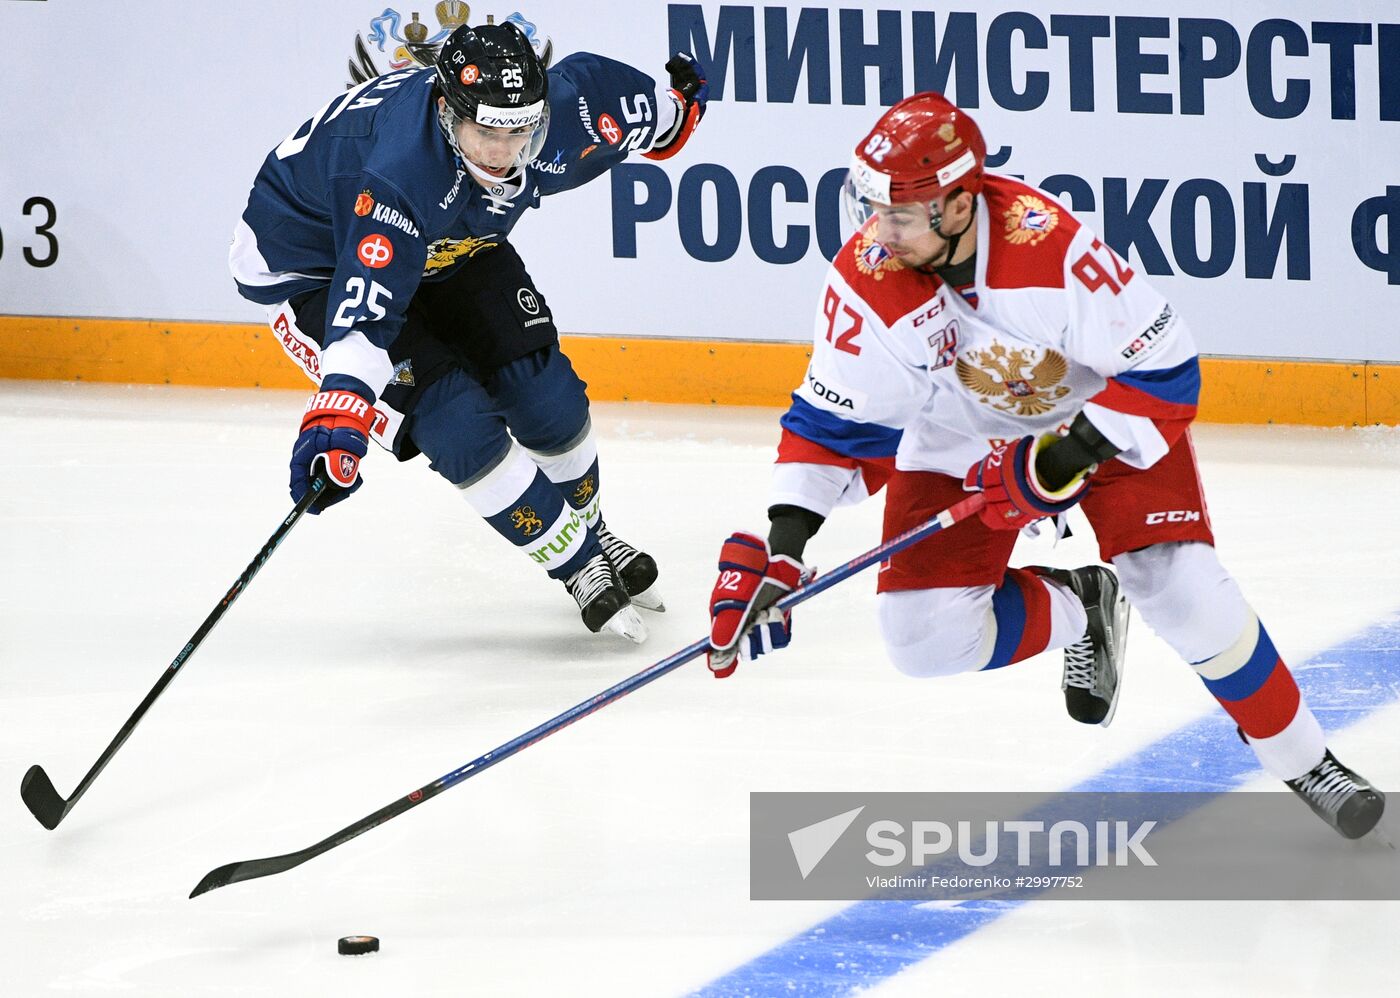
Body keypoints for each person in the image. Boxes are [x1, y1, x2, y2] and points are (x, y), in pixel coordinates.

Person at [706, 92, 1384, 839]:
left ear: (958, 207)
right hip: (964, 426)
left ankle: (1300, 756)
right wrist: (783, 550)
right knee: (922, 639)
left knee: (1179, 588)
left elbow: (1164, 370)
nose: (879, 230)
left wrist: (1066, 456)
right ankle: (1084, 605)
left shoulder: (1049, 250)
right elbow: (832, 424)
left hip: (1099, 415)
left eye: (900, 214)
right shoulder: (868, 274)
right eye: (872, 208)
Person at [229, 19, 709, 643]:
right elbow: (367, 319)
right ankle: (576, 563)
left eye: (520, 131)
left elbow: (657, 121)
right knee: (455, 423)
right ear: (447, 110)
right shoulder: (397, 171)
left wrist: (681, 108)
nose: (504, 153)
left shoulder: (573, 111)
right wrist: (336, 420)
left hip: (449, 239)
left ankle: (592, 532)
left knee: (548, 398)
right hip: (319, 267)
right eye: (485, 132)